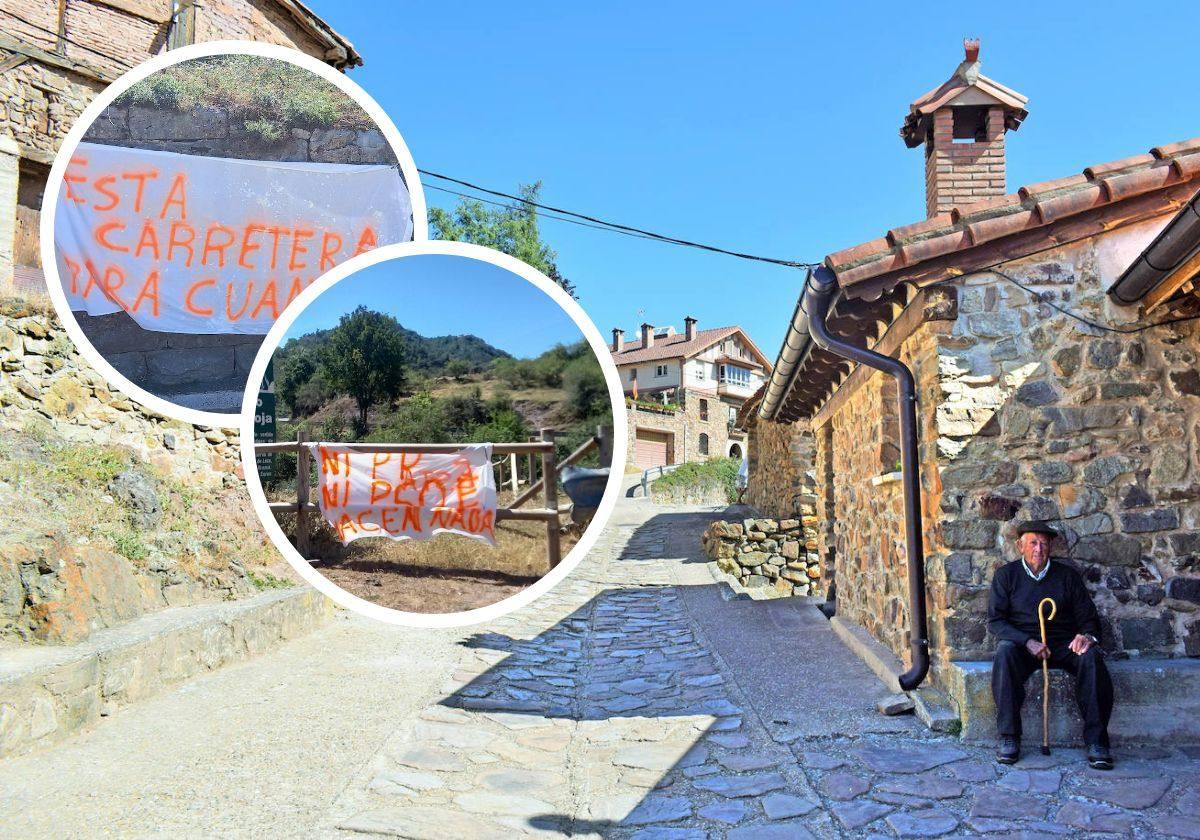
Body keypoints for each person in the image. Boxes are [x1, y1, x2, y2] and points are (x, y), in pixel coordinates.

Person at [987, 520, 1114, 770]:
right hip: (1024, 645)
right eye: (1033, 543)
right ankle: (1009, 736)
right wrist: (1027, 641)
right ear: (1020, 546)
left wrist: (1086, 637)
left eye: (1044, 544)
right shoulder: (1006, 576)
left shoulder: (1067, 577)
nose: (1038, 549)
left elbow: (1089, 619)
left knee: (1091, 657)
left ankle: (1097, 741)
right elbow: (996, 622)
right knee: (1004, 653)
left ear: (1051, 547)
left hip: (1063, 643)